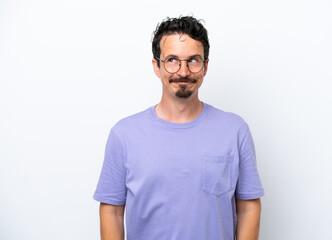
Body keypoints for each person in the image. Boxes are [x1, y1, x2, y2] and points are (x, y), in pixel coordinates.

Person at [93, 16, 264, 240]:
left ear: (205, 66)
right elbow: (112, 211)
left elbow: (248, 206)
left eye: (193, 60)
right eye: (172, 60)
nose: (183, 71)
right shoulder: (124, 135)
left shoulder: (235, 131)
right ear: (157, 66)